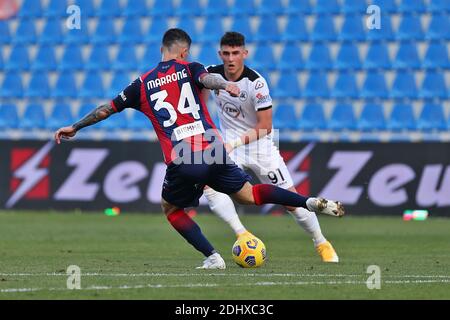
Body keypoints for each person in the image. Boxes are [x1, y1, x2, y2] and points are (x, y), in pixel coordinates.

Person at [54, 28, 344, 270]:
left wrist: (76, 127)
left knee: (170, 208)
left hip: (184, 157)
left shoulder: (140, 84)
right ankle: (306, 201)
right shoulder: (191, 68)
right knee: (249, 194)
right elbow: (209, 79)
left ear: (163, 49)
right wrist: (226, 86)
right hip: (215, 148)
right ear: (184, 53)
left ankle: (214, 257)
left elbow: (106, 110)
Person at [202, 32, 340, 262]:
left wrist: (233, 142)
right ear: (220, 54)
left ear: (245, 54)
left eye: (236, 53)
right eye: (226, 53)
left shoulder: (256, 83)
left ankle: (321, 242)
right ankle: (242, 233)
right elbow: (196, 88)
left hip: (259, 146)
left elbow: (265, 126)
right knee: (210, 185)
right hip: (229, 147)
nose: (231, 58)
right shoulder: (212, 75)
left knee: (290, 200)